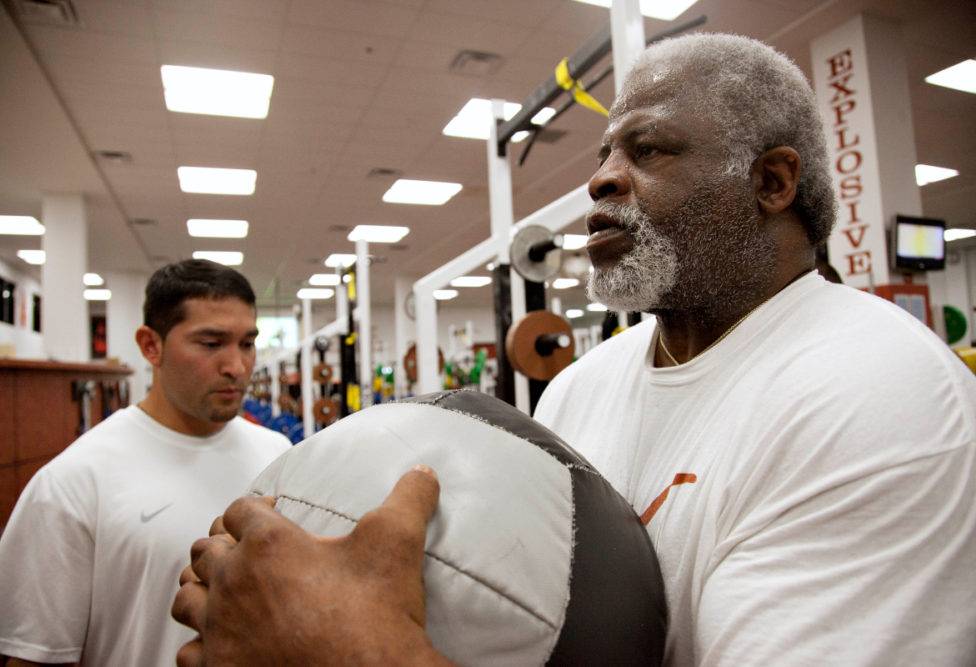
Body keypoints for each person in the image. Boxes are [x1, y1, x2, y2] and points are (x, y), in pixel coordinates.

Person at [171, 33, 976, 666]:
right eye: (603, 156)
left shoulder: (877, 388)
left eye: (649, 149)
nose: (602, 180)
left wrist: (350, 649)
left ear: (771, 182)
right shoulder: (579, 387)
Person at [0, 259, 291, 666]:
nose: (237, 366)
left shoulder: (277, 453)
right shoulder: (74, 480)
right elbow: (36, 656)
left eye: (246, 343)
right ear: (150, 346)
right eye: (211, 344)